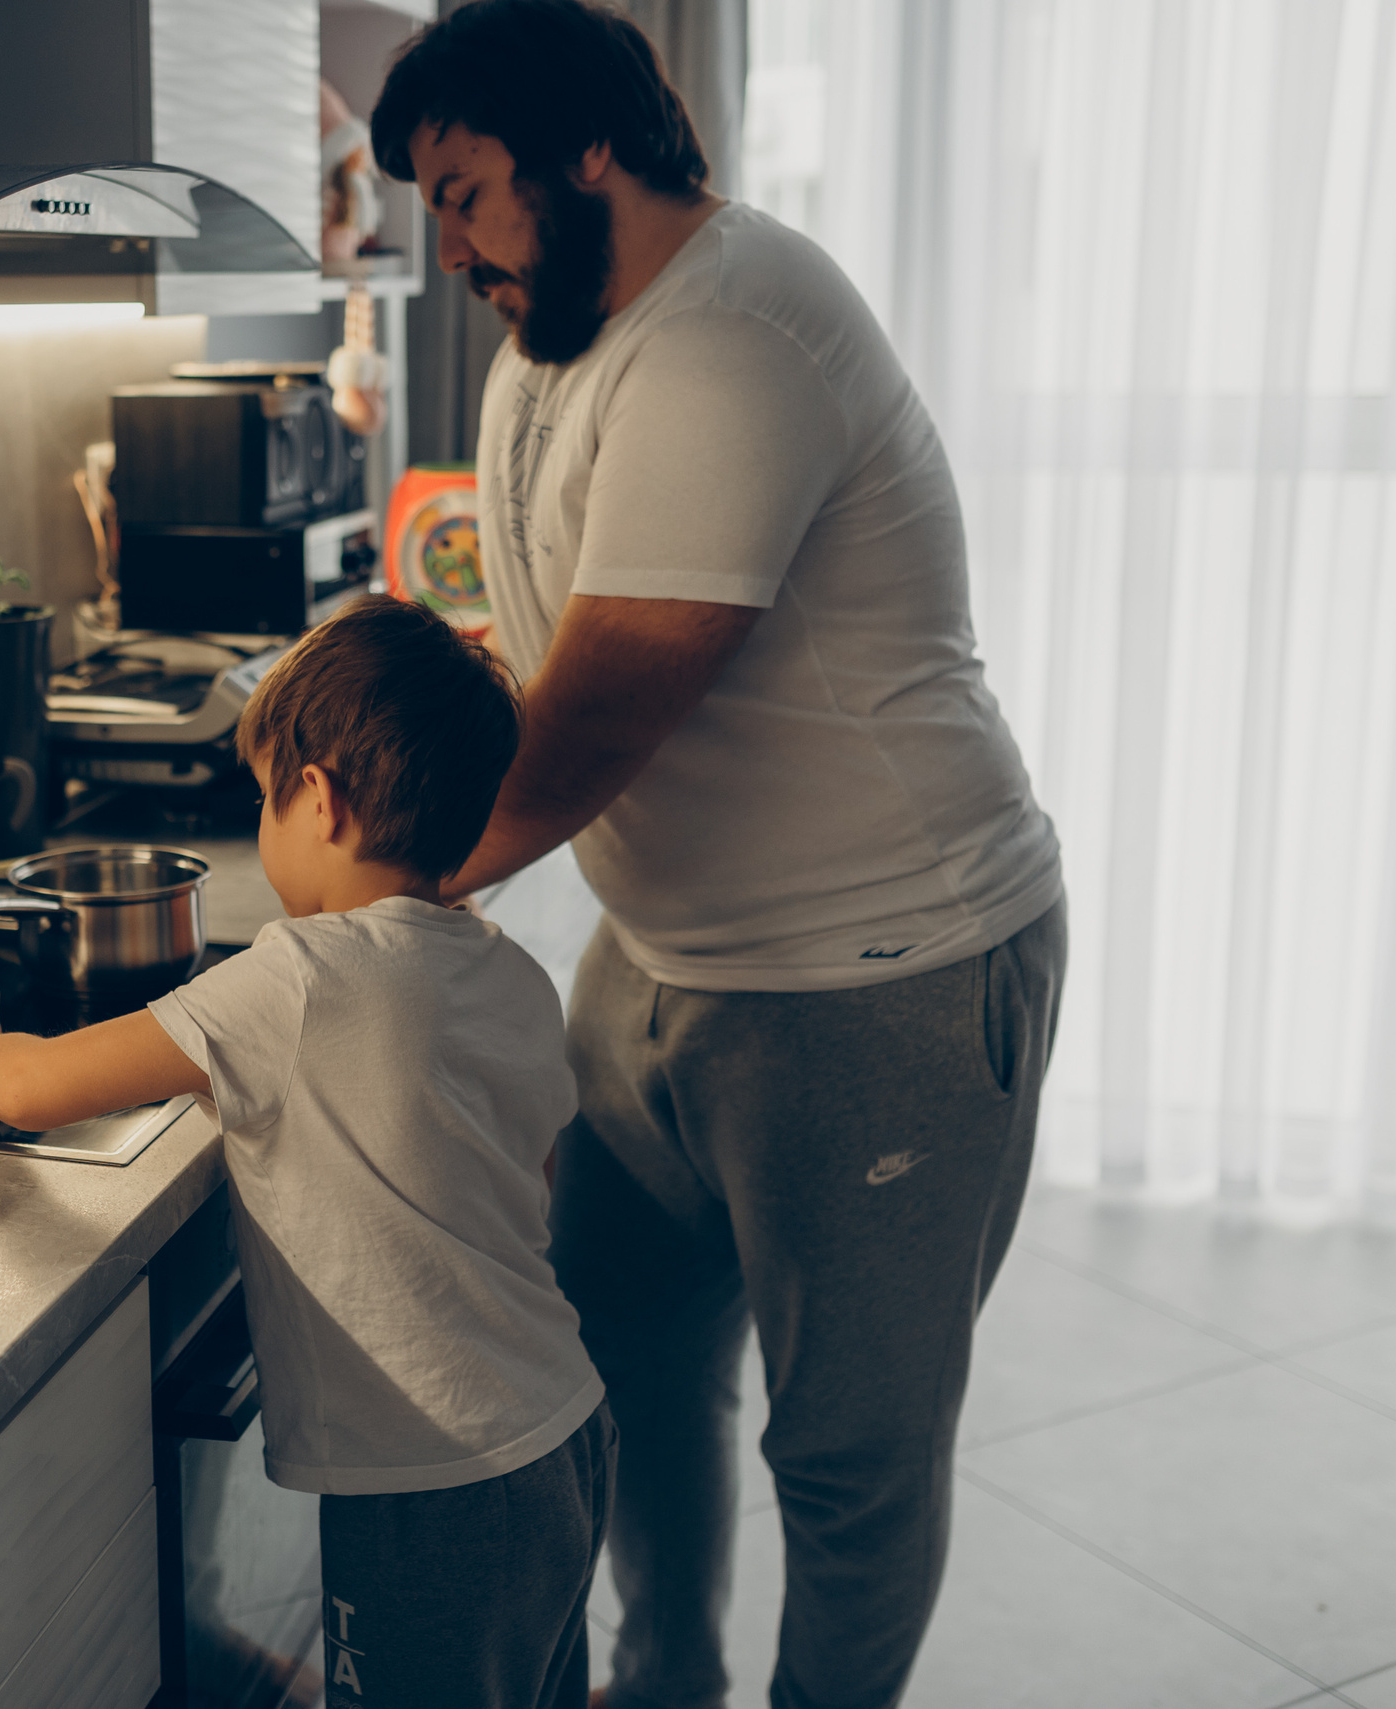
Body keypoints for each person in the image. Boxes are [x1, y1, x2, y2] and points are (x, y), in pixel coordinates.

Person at [369, 6, 1069, 1708]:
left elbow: (606, 706)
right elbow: (538, 630)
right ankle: (660, 1681)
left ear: (583, 152)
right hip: (660, 954)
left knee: (847, 1450)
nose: (447, 248)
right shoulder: (564, 332)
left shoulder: (737, 331)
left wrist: (384, 887)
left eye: (465, 196)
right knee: (627, 1361)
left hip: (878, 973)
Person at [0, 595, 617, 1709]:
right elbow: (516, 1174)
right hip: (563, 1433)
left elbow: (30, 1086)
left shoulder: (294, 980)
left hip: (428, 1485)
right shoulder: (507, 969)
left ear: (316, 798)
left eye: (259, 800)